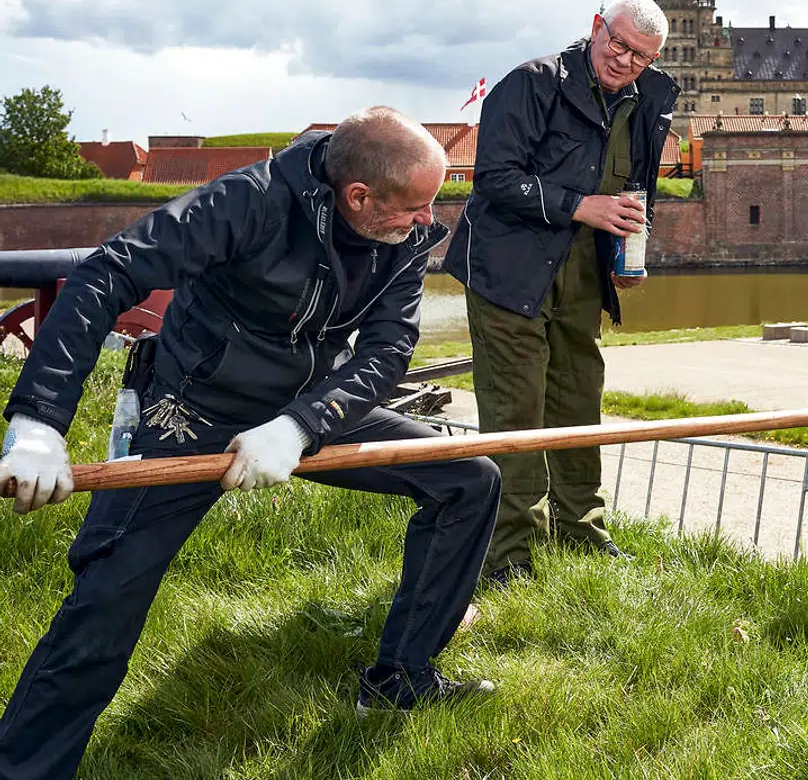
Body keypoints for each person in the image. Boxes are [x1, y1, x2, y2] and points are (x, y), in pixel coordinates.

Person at [0, 106, 502, 779]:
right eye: (416, 205)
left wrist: (301, 425)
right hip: (191, 407)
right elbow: (105, 274)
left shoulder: (405, 233)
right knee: (106, 600)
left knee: (469, 477)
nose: (429, 219)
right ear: (360, 196)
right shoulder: (250, 201)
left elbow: (388, 350)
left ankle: (400, 676)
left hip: (304, 408)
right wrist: (38, 421)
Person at [444, 0, 678, 584]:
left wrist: (627, 249)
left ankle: (580, 530)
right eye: (618, 44)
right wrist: (582, 206)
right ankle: (506, 556)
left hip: (582, 273)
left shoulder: (651, 100)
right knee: (516, 413)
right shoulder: (530, 83)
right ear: (596, 27)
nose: (625, 61)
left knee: (578, 399)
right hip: (508, 272)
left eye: (642, 56)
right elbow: (495, 180)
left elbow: (635, 191)